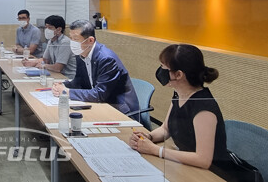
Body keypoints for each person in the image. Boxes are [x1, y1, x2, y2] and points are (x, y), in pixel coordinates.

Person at [128, 44, 236, 180]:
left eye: (164, 68)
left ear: (179, 74)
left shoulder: (203, 107)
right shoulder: (179, 94)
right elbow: (165, 129)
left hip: (214, 174)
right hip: (187, 166)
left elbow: (203, 160)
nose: (160, 71)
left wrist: (156, 150)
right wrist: (146, 138)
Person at [52, 19, 139, 115]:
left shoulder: (106, 59)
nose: (72, 43)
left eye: (76, 39)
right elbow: (79, 81)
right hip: (100, 103)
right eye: (71, 38)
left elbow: (100, 94)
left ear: (90, 40)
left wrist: (67, 92)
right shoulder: (81, 53)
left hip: (119, 108)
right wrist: (63, 85)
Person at [22, 15, 76, 79]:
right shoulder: (51, 40)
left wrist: (43, 65)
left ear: (59, 29)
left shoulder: (65, 42)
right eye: (46, 27)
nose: (47, 30)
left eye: (50, 28)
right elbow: (45, 59)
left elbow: (58, 68)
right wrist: (32, 62)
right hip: (56, 74)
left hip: (68, 77)